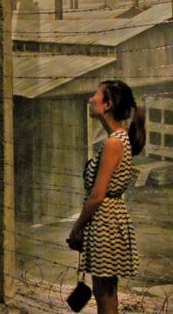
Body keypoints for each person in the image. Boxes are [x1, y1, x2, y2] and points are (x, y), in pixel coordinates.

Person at [68, 80, 145, 314]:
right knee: (106, 292)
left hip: (105, 223)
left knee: (104, 294)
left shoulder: (114, 142)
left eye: (96, 95)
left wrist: (76, 228)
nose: (90, 99)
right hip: (109, 220)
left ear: (108, 104)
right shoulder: (119, 138)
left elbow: (97, 195)